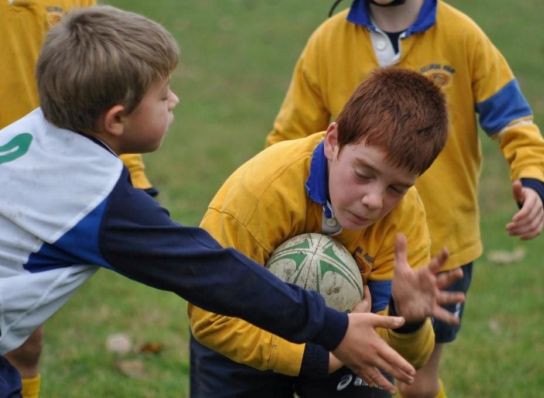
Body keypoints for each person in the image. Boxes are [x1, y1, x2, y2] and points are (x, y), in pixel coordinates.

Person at [0, 6, 416, 397]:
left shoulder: (34, 129)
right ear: (116, 119)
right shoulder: (95, 201)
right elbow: (211, 272)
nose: (175, 100)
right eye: (163, 95)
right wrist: (332, 326)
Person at [264, 1, 544, 397]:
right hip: (355, 245)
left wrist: (534, 178)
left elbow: (514, 121)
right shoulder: (327, 41)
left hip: (439, 252)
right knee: (353, 374)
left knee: (415, 381)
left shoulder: (462, 35)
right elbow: (288, 141)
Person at [188, 67, 465, 397]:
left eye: (396, 188)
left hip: (348, 344)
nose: (374, 201)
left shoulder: (404, 217)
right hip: (249, 333)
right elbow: (209, 318)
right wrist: (321, 356)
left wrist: (411, 321)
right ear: (333, 141)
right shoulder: (261, 192)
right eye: (363, 173)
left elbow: (406, 359)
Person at [0, 2, 156, 397]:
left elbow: (114, 82)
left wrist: (133, 177)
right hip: (11, 172)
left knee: (25, 341)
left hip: (57, 178)